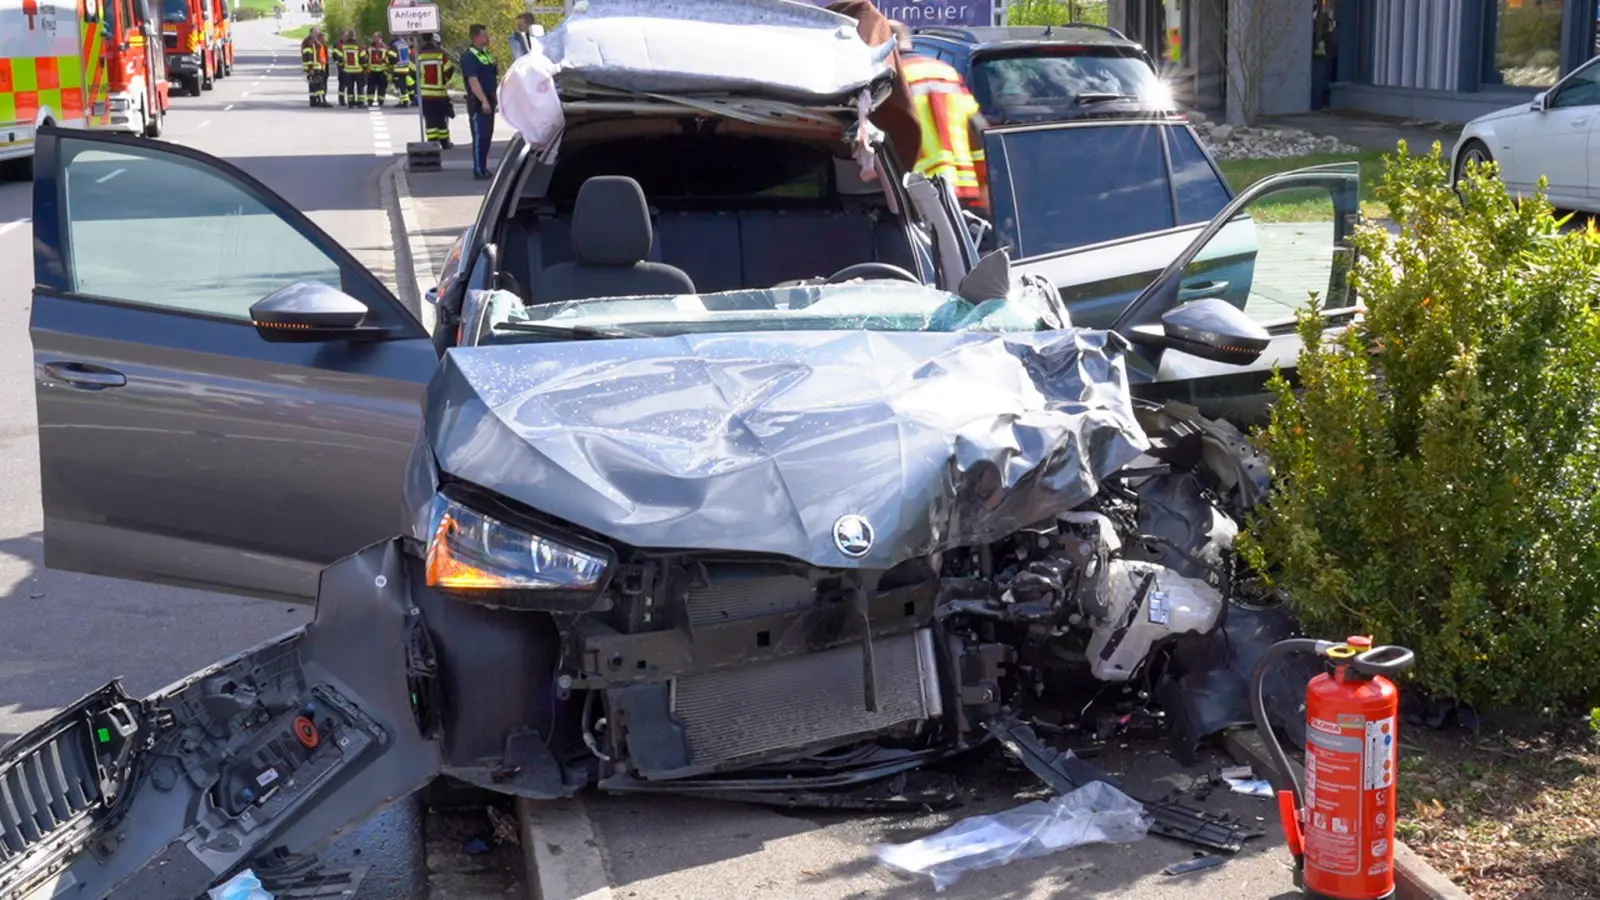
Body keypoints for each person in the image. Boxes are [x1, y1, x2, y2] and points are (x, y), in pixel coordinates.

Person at [889, 20, 988, 214]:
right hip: (965, 189)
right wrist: (985, 182)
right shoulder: (947, 72)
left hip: (922, 193)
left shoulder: (893, 79)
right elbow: (976, 128)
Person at [459, 24, 498, 179]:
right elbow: (473, 81)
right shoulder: (470, 56)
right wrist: (483, 101)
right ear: (476, 36)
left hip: (489, 99)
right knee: (480, 136)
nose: (487, 37)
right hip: (478, 102)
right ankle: (479, 169)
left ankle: (484, 166)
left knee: (487, 136)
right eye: (484, 34)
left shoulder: (485, 54)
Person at [418, 33, 455, 148]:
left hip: (425, 94)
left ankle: (432, 143)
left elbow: (413, 70)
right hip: (439, 93)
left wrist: (419, 82)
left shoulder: (419, 55)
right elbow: (450, 68)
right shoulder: (440, 54)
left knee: (430, 119)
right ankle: (444, 143)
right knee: (441, 118)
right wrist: (444, 80)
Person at [300, 27, 330, 107]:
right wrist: (311, 68)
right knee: (319, 85)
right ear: (311, 33)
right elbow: (307, 56)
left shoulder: (315, 42)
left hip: (317, 67)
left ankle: (313, 101)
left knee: (313, 85)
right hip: (314, 68)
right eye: (316, 32)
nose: (318, 34)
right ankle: (321, 101)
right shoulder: (308, 42)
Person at [334, 29, 364, 108]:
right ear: (355, 36)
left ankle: (351, 103)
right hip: (358, 70)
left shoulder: (343, 46)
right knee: (360, 87)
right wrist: (365, 67)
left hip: (348, 70)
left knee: (350, 88)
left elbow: (338, 57)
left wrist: (342, 65)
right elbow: (363, 58)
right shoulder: (358, 46)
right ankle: (360, 103)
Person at [365, 31, 394, 106]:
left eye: (375, 37)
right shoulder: (370, 47)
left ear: (380, 38)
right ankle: (370, 100)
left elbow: (392, 58)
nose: (374, 38)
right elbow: (365, 56)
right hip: (371, 71)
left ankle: (381, 101)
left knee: (382, 87)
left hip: (382, 71)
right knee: (370, 86)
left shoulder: (386, 47)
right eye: (373, 37)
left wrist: (388, 65)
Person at [391, 35, 415, 107]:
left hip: (398, 69)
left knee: (401, 85)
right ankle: (411, 97)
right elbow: (410, 55)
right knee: (408, 83)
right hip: (406, 68)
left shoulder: (395, 45)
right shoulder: (405, 45)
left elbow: (392, 57)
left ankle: (404, 102)